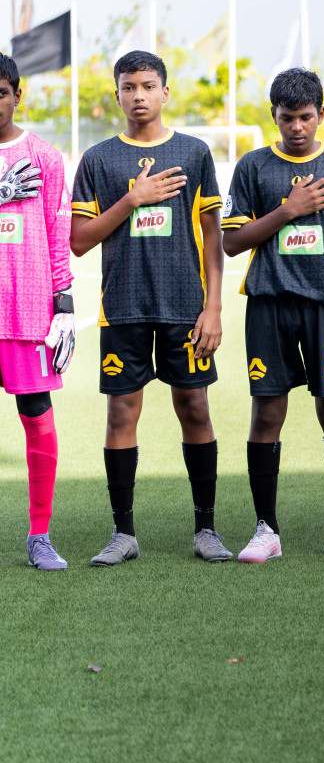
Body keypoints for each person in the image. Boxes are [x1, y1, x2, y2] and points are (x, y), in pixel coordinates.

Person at [71, 49, 232, 564]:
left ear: (166, 92)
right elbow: (78, 240)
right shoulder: (98, 159)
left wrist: (214, 308)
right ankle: (123, 534)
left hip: (186, 308)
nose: (137, 95)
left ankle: (206, 530)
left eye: (146, 85)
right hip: (122, 308)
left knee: (195, 408)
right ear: (116, 94)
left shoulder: (194, 152)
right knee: (121, 411)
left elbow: (212, 238)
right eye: (127, 86)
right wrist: (132, 199)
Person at [220, 68, 324, 562]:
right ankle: (266, 529)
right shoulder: (253, 167)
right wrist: (289, 208)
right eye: (288, 118)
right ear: (274, 116)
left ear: (321, 114)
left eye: (306, 117)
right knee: (267, 412)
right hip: (270, 304)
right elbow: (232, 241)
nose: (298, 127)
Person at [0, 53, 75, 570]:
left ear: (16, 96)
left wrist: (63, 306)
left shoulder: (45, 157)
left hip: (26, 315)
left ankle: (40, 535)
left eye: (0, 93)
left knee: (38, 421)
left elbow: (57, 235)